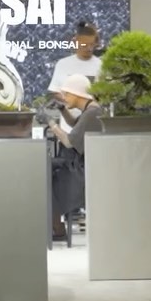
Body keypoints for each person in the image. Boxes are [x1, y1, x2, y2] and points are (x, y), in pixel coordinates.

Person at [48, 73, 102, 242]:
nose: (64, 98)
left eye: (66, 94)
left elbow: (69, 142)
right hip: (80, 164)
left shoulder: (92, 112)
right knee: (48, 171)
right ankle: (56, 225)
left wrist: (51, 123)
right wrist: (62, 110)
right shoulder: (90, 110)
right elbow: (74, 124)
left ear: (77, 93)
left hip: (82, 171)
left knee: (47, 177)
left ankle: (57, 226)